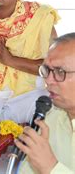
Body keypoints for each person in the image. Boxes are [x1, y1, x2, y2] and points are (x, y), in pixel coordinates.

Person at [17, 33, 75, 174]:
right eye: (47, 70)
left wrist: (50, 168)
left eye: (60, 72)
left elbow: (47, 167)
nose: (48, 80)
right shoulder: (49, 120)